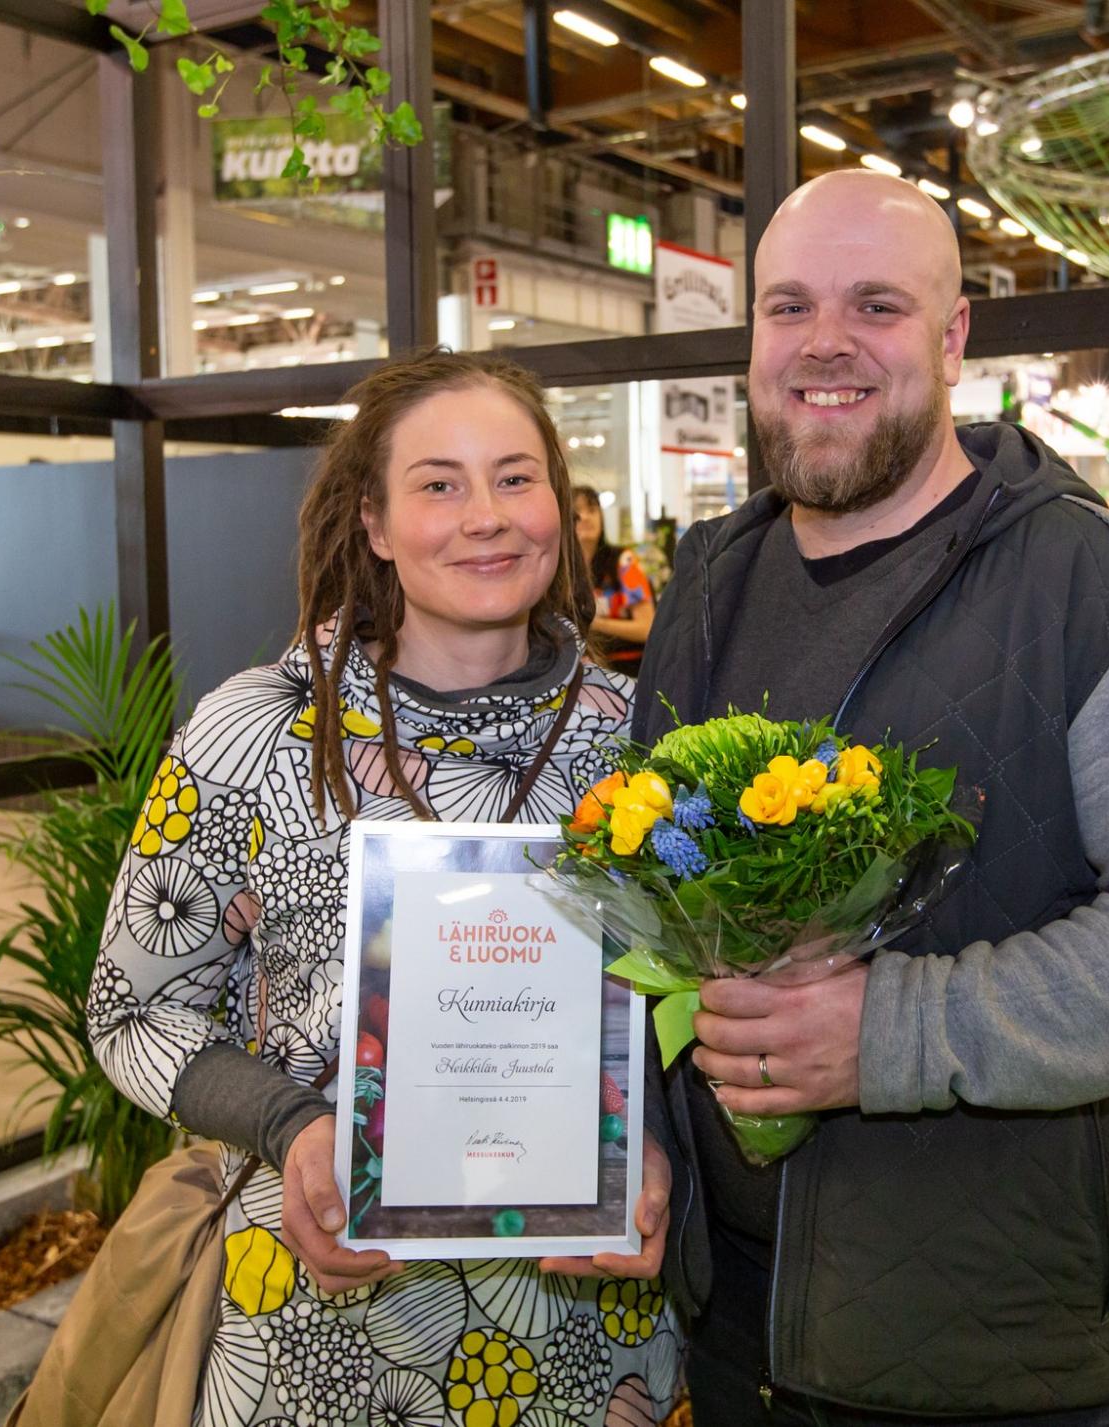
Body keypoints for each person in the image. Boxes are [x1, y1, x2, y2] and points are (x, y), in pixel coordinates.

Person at [632, 170, 1109, 1423]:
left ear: (953, 338)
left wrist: (894, 1031)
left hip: (993, 1360)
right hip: (731, 1333)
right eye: (787, 306)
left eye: (875, 304)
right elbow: (655, 917)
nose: (823, 342)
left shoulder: (1098, 584)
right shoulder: (709, 584)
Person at [87, 349, 680, 1426]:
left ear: (563, 502)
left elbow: (696, 1010)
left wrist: (656, 1144)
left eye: (515, 475)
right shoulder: (258, 731)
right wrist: (291, 1126)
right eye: (438, 483)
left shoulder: (641, 741)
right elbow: (132, 1009)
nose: (485, 517)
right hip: (317, 1319)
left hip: (584, 1336)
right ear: (371, 519)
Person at [572, 483, 655, 668]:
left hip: (628, 668)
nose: (585, 517)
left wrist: (593, 624)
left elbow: (646, 627)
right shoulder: (560, 569)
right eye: (578, 512)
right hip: (580, 669)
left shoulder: (623, 562)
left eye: (592, 510)